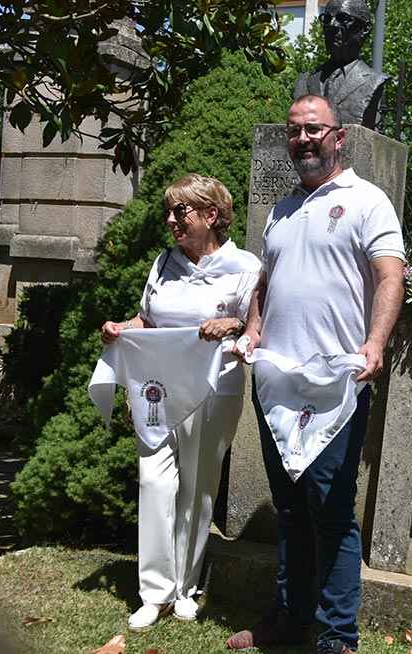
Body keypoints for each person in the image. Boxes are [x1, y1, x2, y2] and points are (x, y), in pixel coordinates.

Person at [226, 94, 405, 654]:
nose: (303, 139)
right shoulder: (280, 211)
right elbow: (264, 285)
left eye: (314, 130)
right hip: (277, 383)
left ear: (339, 137)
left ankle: (336, 636)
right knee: (290, 510)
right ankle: (290, 617)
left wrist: (376, 343)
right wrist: (253, 332)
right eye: (295, 131)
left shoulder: (367, 201)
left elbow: (389, 276)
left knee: (330, 511)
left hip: (336, 385)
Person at [99, 174, 261, 631]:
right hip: (158, 388)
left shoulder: (244, 266)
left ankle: (185, 587)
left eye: (180, 212)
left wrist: (230, 323)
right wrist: (122, 328)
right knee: (154, 480)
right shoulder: (163, 263)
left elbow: (257, 326)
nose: (170, 220)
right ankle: (154, 592)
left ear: (211, 216)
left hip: (214, 389)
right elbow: (147, 318)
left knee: (197, 486)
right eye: (168, 212)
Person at [294, 0, 389, 129]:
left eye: (343, 18)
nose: (332, 25)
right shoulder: (304, 81)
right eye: (327, 19)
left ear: (365, 29)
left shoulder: (374, 81)